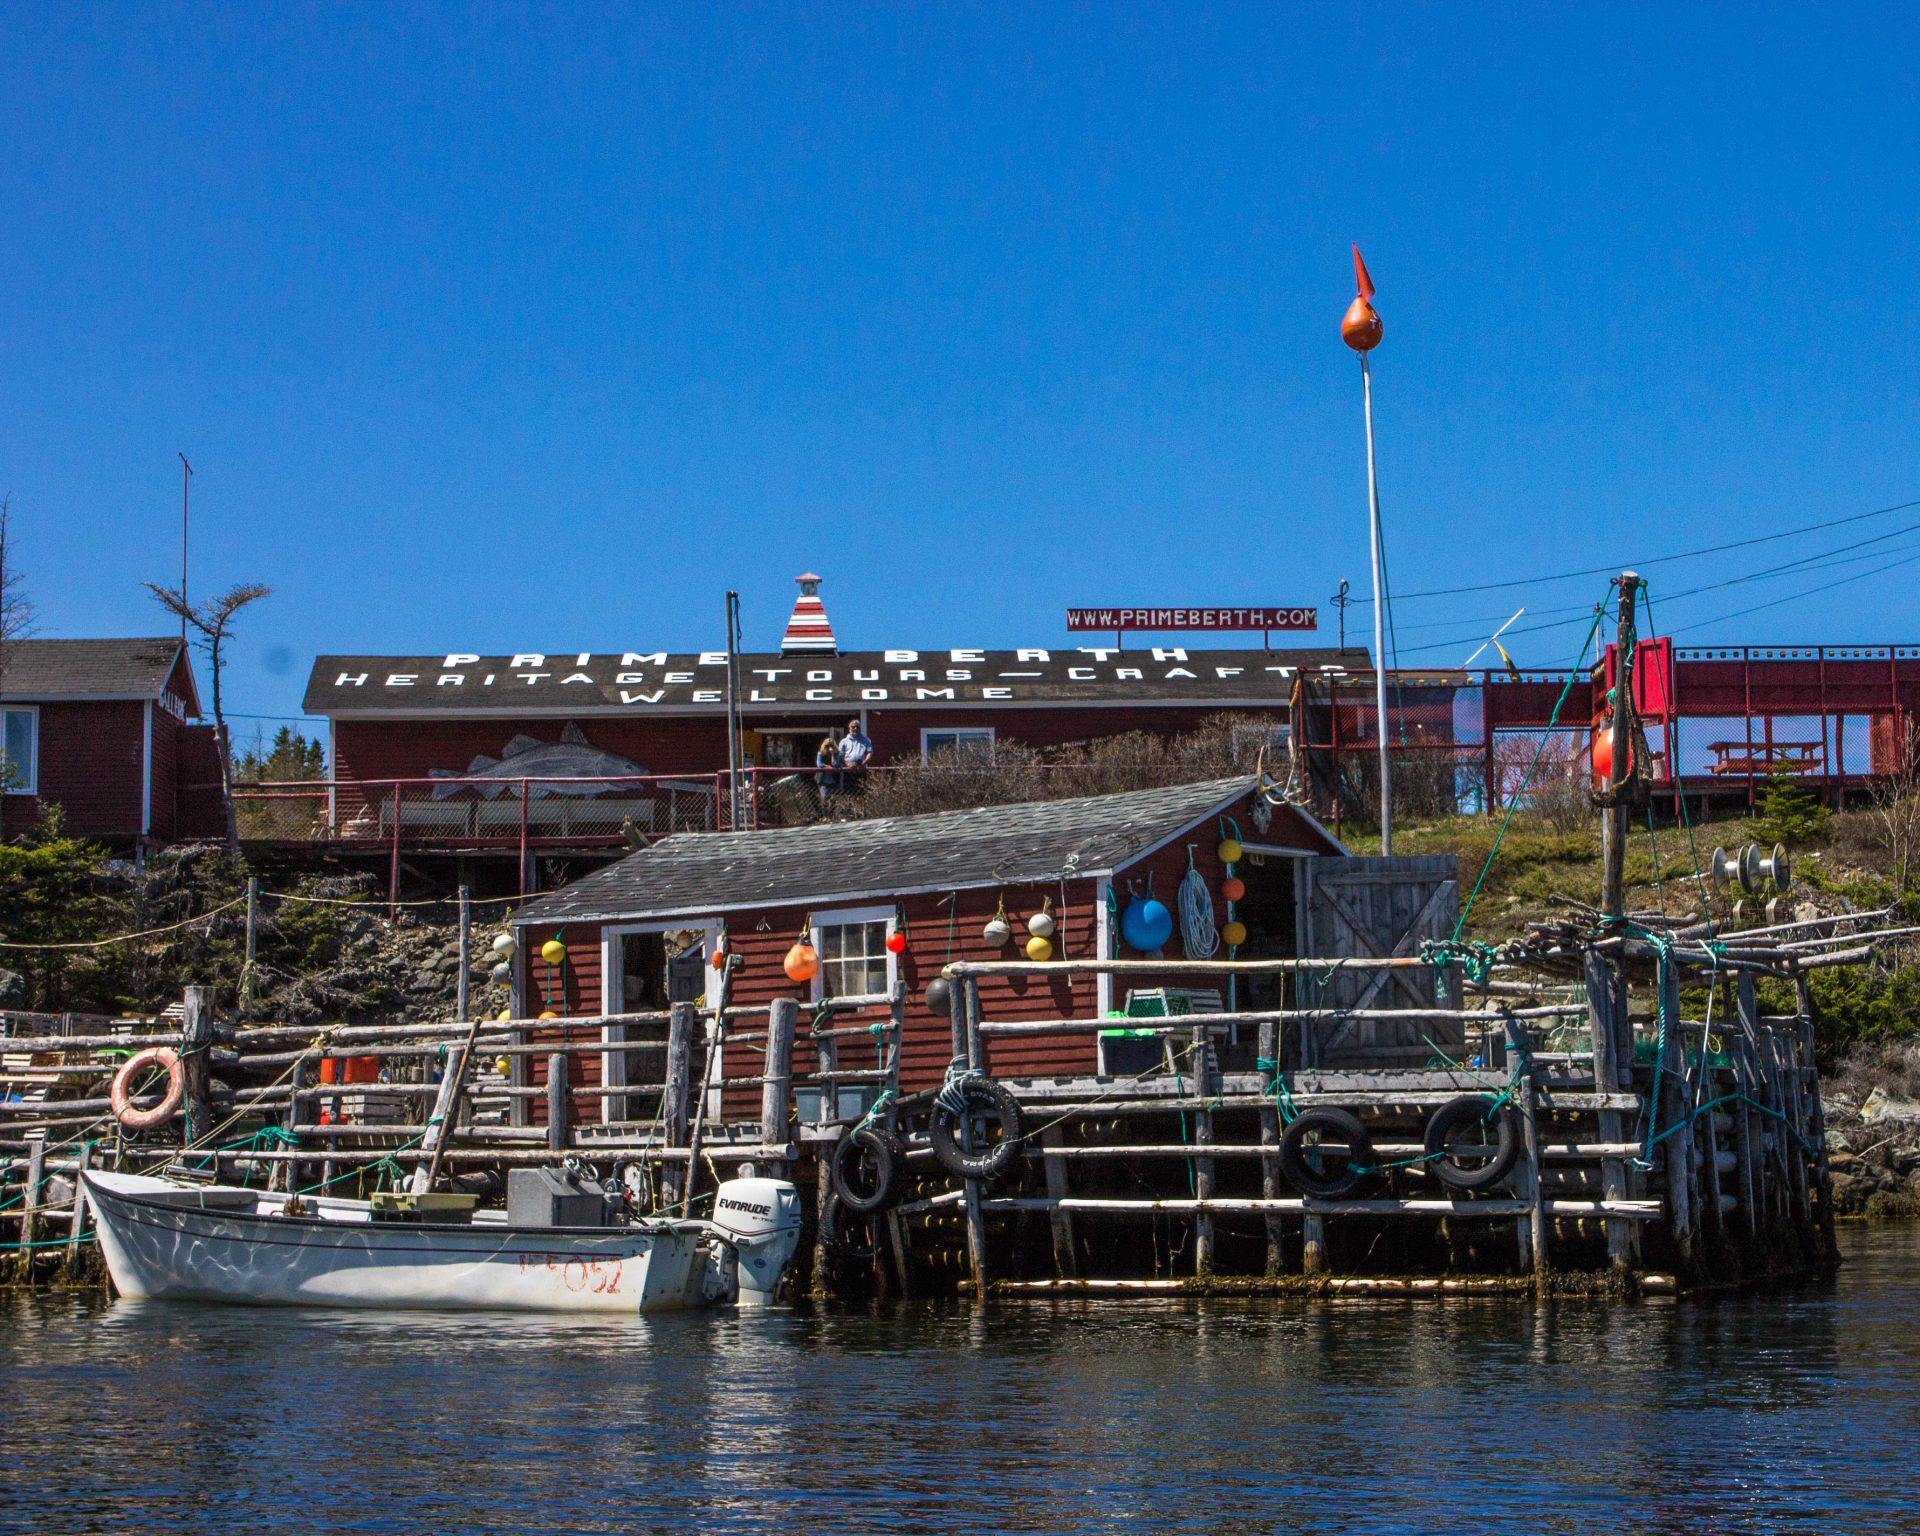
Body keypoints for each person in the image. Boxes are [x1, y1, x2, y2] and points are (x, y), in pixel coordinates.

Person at [837, 717, 874, 791]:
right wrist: (847, 764)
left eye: (857, 727)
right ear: (849, 728)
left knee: (862, 792)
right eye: (853, 727)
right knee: (849, 793)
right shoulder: (844, 741)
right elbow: (840, 755)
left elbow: (870, 752)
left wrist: (864, 763)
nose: (855, 728)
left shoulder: (866, 740)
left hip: (861, 770)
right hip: (848, 771)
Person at [813, 734, 840, 802]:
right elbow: (819, 764)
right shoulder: (820, 753)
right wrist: (827, 766)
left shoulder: (836, 754)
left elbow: (835, 764)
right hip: (823, 780)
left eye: (832, 746)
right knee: (825, 798)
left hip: (833, 780)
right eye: (828, 746)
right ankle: (825, 811)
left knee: (834, 800)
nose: (830, 747)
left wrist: (832, 754)